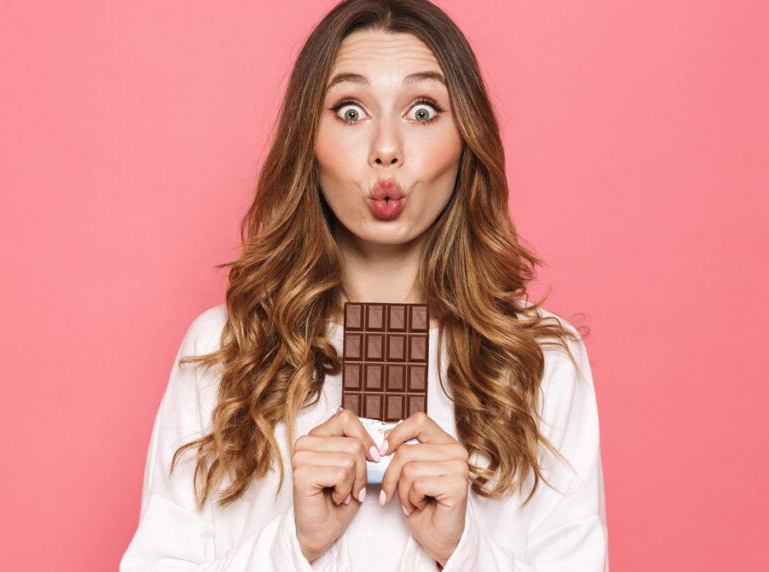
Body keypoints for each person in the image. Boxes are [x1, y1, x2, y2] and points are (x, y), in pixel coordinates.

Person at [120, 0, 608, 569]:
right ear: (309, 138)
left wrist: (462, 549)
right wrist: (294, 546)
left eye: (423, 110)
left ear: (466, 139)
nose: (386, 148)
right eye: (350, 110)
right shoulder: (225, 352)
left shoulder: (540, 361)